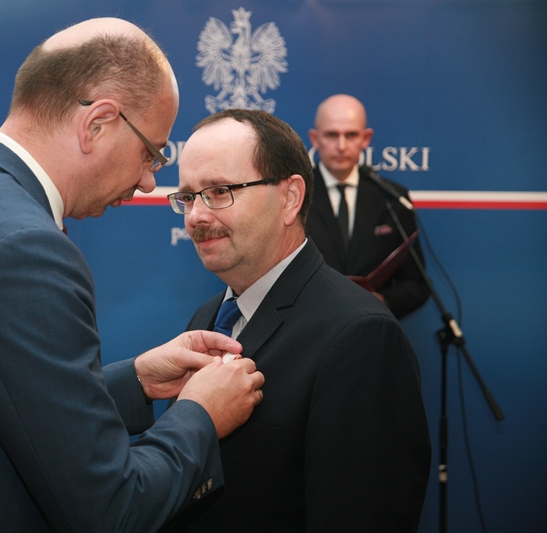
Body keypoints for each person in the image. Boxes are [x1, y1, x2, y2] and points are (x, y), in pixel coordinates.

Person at [0, 18, 265, 532]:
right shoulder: (25, 250)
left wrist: (138, 380)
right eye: (151, 153)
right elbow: (112, 511)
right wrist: (200, 415)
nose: (148, 180)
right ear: (97, 124)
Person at [161, 109, 431, 532]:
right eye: (188, 196)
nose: (195, 215)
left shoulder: (361, 336)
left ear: (290, 198)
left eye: (219, 191)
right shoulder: (208, 317)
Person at [306, 94, 429, 319]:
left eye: (351, 135)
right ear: (315, 139)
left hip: (372, 327)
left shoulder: (392, 197)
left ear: (366, 138)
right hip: (309, 327)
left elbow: (416, 284)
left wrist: (381, 302)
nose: (341, 146)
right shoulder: (294, 196)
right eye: (332, 135)